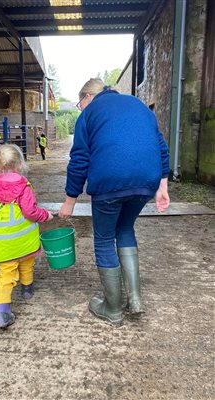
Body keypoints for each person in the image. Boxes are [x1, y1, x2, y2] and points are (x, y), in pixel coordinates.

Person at [59, 78, 170, 327]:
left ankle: (112, 309)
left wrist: (70, 201)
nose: (80, 108)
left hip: (109, 183)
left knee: (105, 238)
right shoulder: (139, 105)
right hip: (146, 182)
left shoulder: (89, 114)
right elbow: (161, 148)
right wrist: (162, 186)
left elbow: (79, 160)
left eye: (80, 103)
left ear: (88, 96)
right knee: (125, 228)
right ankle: (135, 299)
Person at [0, 144, 53, 328]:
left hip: (0, 245)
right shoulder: (23, 187)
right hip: (23, 241)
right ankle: (27, 290)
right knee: (27, 263)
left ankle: (2, 313)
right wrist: (45, 215)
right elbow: (30, 211)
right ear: (19, 165)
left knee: (5, 275)